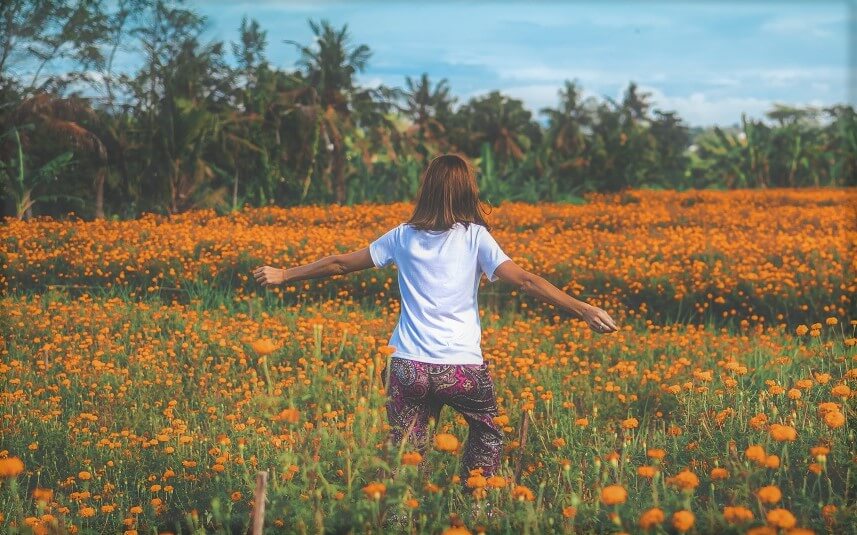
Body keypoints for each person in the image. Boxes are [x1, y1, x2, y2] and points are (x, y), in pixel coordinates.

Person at [252, 153, 619, 484]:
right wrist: (583, 309)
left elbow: (339, 265)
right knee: (489, 432)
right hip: (461, 368)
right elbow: (526, 280)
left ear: (426, 189)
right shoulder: (477, 238)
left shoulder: (401, 236)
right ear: (467, 192)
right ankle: (475, 506)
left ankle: (401, 518)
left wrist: (285, 274)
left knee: (406, 453)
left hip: (408, 366)